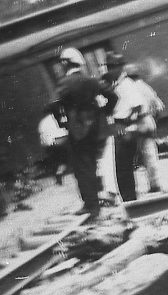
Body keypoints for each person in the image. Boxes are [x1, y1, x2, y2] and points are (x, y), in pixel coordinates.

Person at [48, 47, 118, 218]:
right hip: (98, 129)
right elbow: (113, 96)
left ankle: (92, 206)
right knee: (95, 165)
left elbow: (53, 105)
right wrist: (105, 112)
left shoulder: (64, 83)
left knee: (83, 168)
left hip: (78, 131)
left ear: (66, 64)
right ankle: (97, 202)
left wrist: (62, 121)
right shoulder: (91, 80)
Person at [109, 54, 165, 201]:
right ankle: (153, 184)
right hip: (143, 121)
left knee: (147, 153)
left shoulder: (130, 85)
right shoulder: (134, 85)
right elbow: (158, 106)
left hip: (141, 122)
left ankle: (155, 184)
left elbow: (139, 106)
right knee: (146, 155)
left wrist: (129, 119)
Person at [37, 113, 68, 186]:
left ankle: (58, 176)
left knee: (58, 161)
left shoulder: (44, 122)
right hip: (55, 142)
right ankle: (59, 176)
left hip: (52, 143)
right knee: (60, 161)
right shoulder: (50, 120)